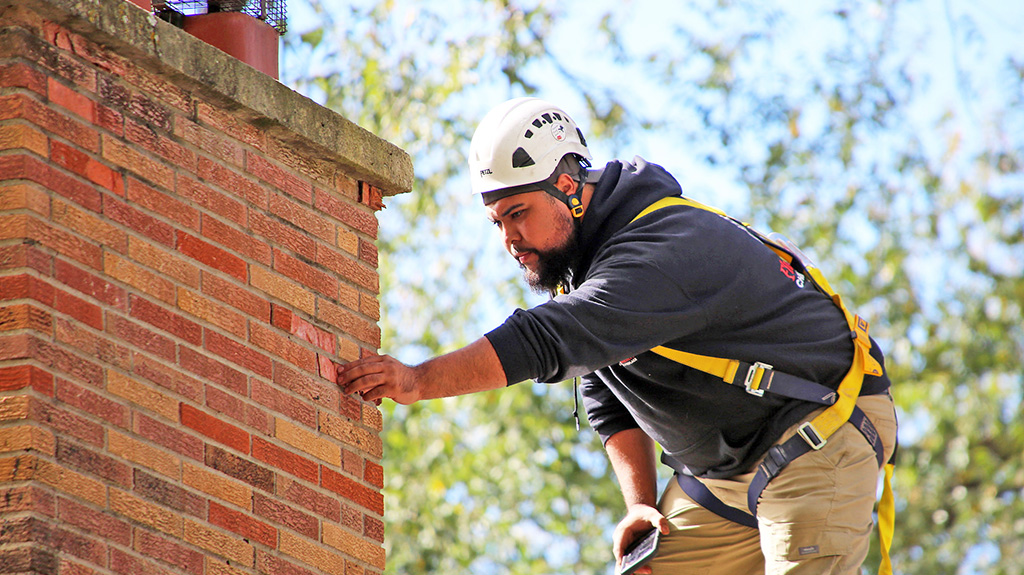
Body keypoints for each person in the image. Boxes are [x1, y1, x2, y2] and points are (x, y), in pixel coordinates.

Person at [337, 97, 898, 575]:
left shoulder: (660, 248)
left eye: (519, 213)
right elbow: (609, 398)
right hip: (722, 476)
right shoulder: (583, 273)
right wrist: (640, 504)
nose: (509, 238)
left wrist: (417, 380)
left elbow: (548, 340)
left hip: (815, 434)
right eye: (498, 223)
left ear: (568, 186)